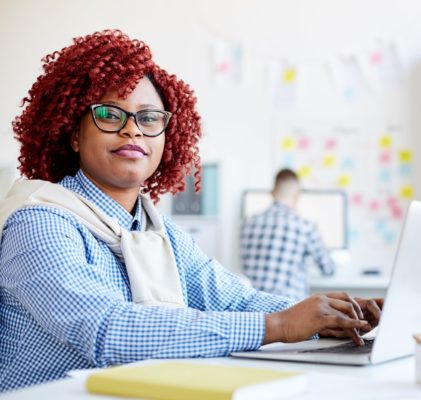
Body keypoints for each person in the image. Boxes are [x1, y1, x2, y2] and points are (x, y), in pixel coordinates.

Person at [0, 30, 383, 392]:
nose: (133, 130)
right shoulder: (38, 222)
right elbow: (107, 329)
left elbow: (236, 300)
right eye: (110, 114)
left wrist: (328, 317)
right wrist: (280, 325)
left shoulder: (156, 233)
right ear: (72, 132)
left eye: (149, 117)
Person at [241, 169, 335, 300]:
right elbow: (328, 269)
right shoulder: (305, 226)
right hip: (289, 310)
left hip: (254, 310)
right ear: (297, 195)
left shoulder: (248, 222)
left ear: (272, 193)